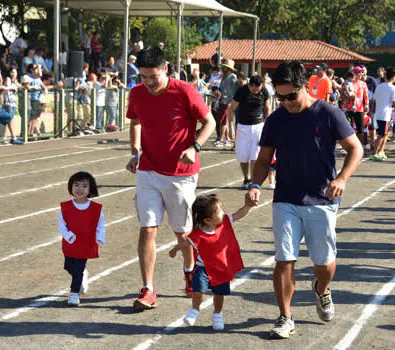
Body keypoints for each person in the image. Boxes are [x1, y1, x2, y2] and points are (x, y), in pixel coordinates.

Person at [245, 61, 363, 339]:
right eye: (281, 97)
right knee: (284, 259)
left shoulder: (329, 113)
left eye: (291, 96)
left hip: (321, 200)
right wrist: (254, 184)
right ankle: (285, 317)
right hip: (285, 198)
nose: (286, 103)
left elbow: (354, 148)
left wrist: (342, 179)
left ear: (306, 86)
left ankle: (321, 289)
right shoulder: (275, 119)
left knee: (323, 264)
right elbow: (263, 161)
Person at [125, 47, 216, 310]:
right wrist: (134, 152)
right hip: (149, 172)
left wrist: (194, 147)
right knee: (148, 228)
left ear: (165, 69)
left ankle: (189, 271)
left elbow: (209, 121)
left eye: (153, 76)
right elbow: (135, 121)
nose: (149, 82)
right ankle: (148, 289)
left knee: (183, 232)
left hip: (180, 175)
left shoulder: (185, 90)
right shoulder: (137, 93)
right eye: (143, 77)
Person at [169, 194, 250, 331]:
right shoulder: (198, 234)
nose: (223, 213)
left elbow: (238, 214)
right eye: (219, 211)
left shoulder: (224, 222)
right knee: (198, 290)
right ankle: (195, 309)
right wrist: (174, 250)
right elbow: (185, 243)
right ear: (208, 220)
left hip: (221, 269)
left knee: (219, 294)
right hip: (203, 269)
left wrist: (248, 206)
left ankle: (217, 314)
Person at [58, 171, 106, 306]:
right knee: (69, 266)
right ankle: (82, 274)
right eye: (76, 185)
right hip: (70, 244)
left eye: (84, 186)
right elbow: (61, 225)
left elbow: (101, 225)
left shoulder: (96, 208)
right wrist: (68, 235)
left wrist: (100, 238)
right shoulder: (65, 207)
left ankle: (74, 294)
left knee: (78, 268)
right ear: (70, 187)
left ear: (91, 189)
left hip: (86, 243)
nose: (79, 189)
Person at [229, 75, 270, 189]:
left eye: (258, 89)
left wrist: (267, 125)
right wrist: (231, 127)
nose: (256, 92)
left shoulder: (264, 91)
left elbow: (267, 108)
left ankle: (253, 180)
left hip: (258, 126)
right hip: (243, 127)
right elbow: (231, 109)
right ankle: (246, 178)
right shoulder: (241, 91)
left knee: (255, 156)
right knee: (243, 157)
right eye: (254, 90)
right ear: (249, 85)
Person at [370, 67, 395, 161]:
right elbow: (394, 101)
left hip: (379, 112)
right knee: (382, 134)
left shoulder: (379, 86)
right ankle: (374, 153)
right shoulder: (393, 87)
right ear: (394, 77)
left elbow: (374, 99)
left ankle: (381, 151)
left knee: (386, 133)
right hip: (385, 114)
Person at [216, 59, 237, 148]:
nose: (223, 68)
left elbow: (235, 91)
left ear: (229, 69)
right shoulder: (224, 77)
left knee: (224, 121)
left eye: (225, 67)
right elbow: (221, 88)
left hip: (228, 102)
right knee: (223, 120)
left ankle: (222, 139)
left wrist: (231, 102)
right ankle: (226, 138)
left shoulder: (233, 77)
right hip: (222, 101)